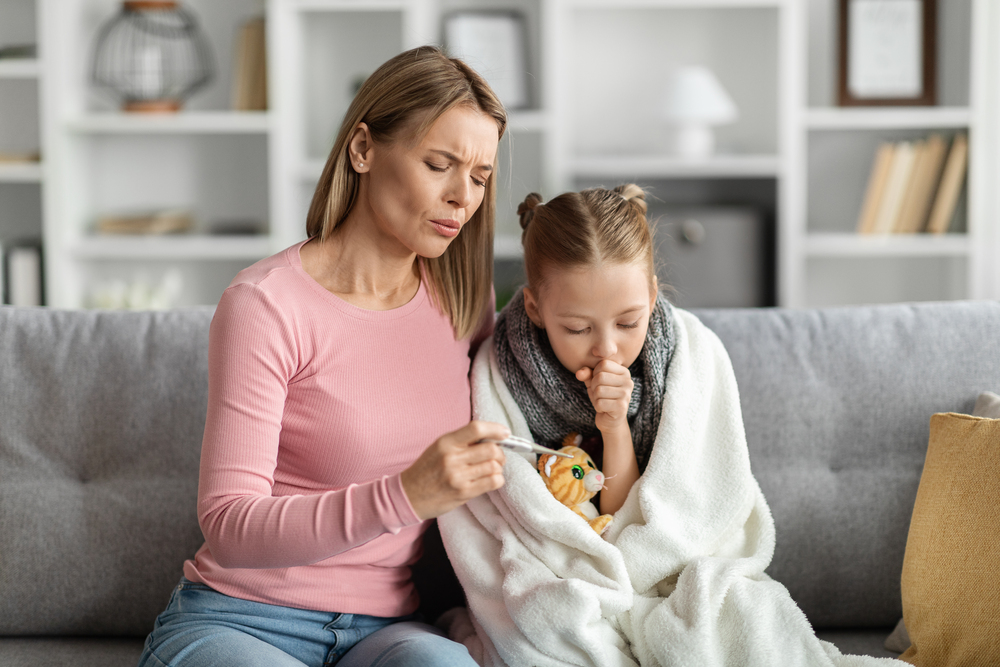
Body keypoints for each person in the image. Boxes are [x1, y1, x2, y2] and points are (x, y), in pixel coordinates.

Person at [137, 45, 511, 667]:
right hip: (242, 619)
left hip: (385, 627)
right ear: (363, 149)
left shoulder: (463, 303)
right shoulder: (267, 303)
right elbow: (228, 523)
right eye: (439, 164)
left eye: (478, 176)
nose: (461, 198)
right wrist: (404, 495)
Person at [497, 184, 667, 515]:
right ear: (535, 310)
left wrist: (615, 426)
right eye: (578, 328)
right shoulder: (505, 365)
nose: (606, 348)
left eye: (628, 323)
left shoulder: (682, 361)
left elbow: (628, 522)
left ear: (651, 300)